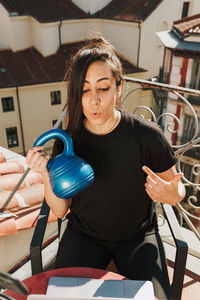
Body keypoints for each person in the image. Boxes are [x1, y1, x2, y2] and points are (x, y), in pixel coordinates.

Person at [26, 37, 185, 300]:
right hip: (84, 236)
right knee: (61, 297)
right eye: (85, 90)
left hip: (137, 237)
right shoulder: (68, 141)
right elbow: (60, 209)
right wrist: (44, 173)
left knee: (157, 298)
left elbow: (176, 189)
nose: (94, 100)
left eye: (104, 88)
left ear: (118, 88)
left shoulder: (146, 136)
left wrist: (169, 194)